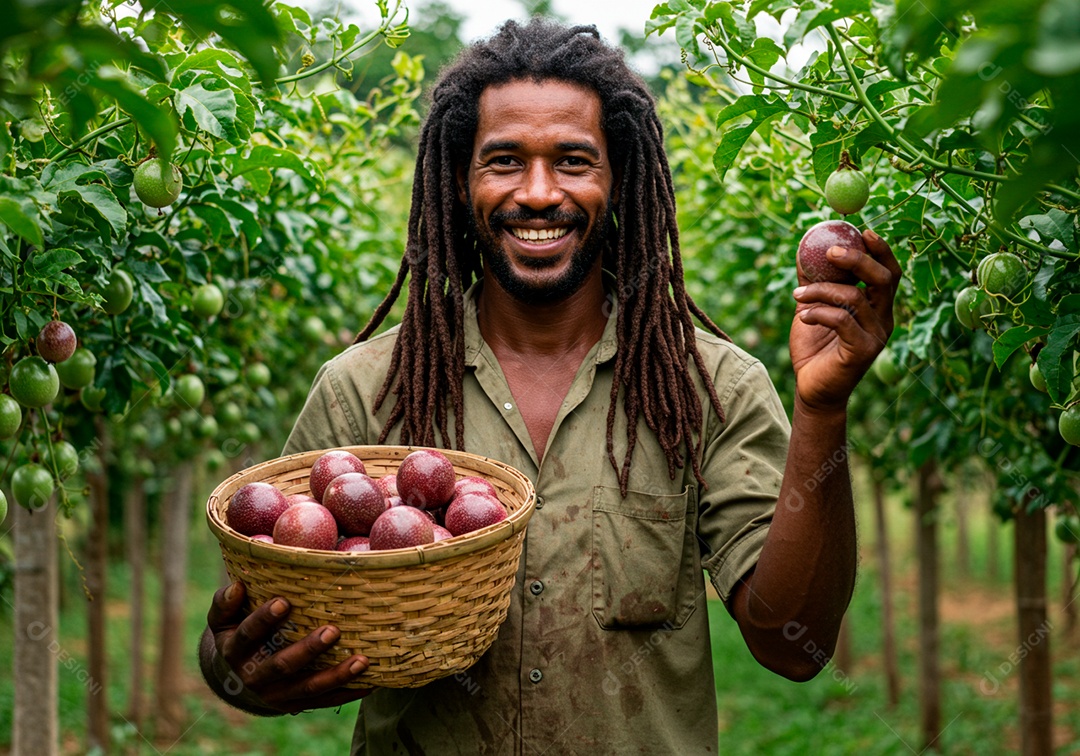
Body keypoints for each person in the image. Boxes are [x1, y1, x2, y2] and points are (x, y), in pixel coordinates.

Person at [200, 18, 900, 754]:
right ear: (459, 181)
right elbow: (246, 640)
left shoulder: (708, 386)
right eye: (503, 161)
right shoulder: (363, 392)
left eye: (573, 161)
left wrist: (823, 408)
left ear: (618, 180)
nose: (538, 193)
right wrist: (239, 673)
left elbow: (794, 645)